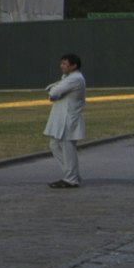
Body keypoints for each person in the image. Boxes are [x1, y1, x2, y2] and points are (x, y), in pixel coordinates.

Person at [45, 53, 89, 186]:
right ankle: (72, 175)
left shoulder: (74, 79)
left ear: (74, 66)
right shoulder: (69, 78)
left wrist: (54, 91)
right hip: (64, 118)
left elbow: (53, 92)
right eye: (62, 63)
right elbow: (53, 90)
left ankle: (71, 178)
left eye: (65, 64)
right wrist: (54, 90)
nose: (61, 66)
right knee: (55, 144)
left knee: (67, 148)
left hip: (69, 119)